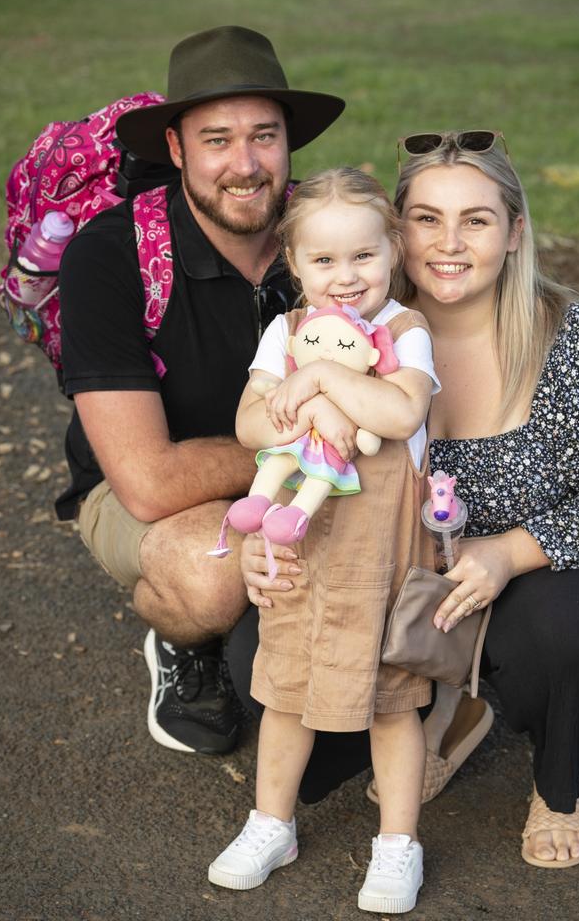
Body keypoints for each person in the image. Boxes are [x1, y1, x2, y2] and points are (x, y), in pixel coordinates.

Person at [240, 130, 579, 871]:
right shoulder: (355, 335)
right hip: (395, 571)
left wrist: (505, 553)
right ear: (396, 232)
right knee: (269, 682)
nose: (450, 241)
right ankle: (453, 708)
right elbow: (288, 446)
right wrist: (266, 535)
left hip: (545, 571)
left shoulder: (576, 337)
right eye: (427, 218)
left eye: (476, 219)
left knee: (568, 632)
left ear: (515, 232)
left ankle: (565, 781)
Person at [56, 26, 345, 756]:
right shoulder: (110, 257)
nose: (245, 166)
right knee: (211, 576)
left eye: (264, 137)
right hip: (152, 490)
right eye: (216, 139)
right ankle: (182, 641)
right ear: (177, 149)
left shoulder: (331, 239)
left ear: (289, 143)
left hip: (316, 473)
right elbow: (149, 483)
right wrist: (309, 453)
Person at [208, 168, 439, 914]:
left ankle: (398, 842)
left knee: (392, 704)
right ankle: (271, 823)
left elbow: (399, 415)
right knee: (283, 692)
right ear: (294, 262)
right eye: (325, 261)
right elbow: (250, 423)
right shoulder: (286, 329)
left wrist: (317, 385)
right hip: (302, 552)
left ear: (393, 251)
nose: (346, 277)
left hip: (385, 562)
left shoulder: (406, 332)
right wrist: (311, 390)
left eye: (364, 257)